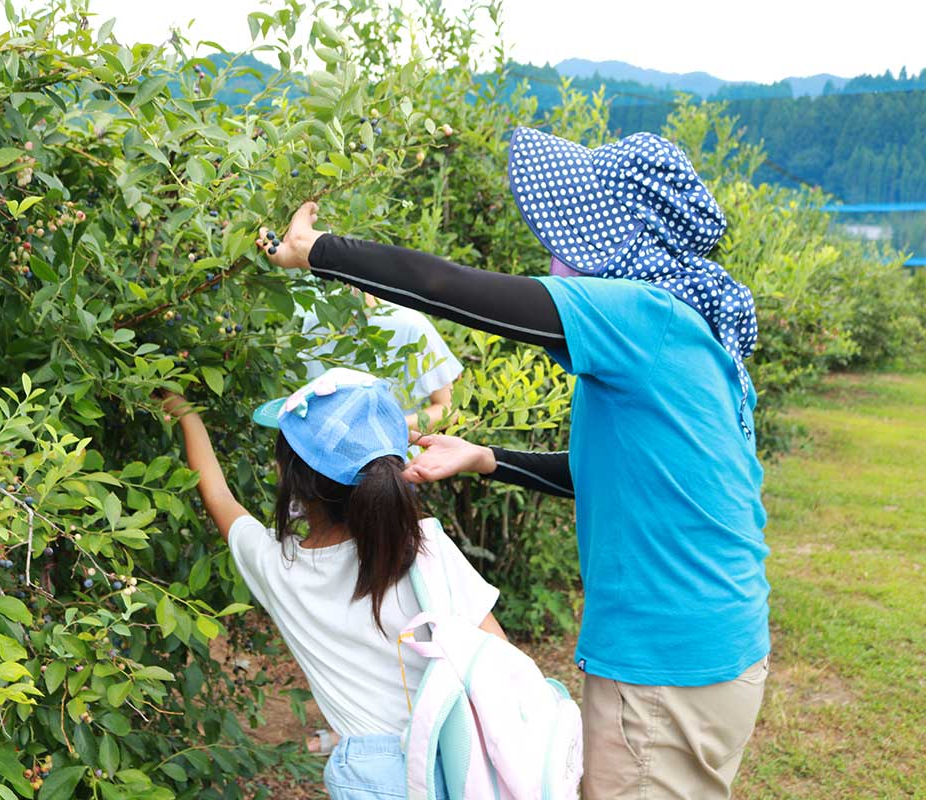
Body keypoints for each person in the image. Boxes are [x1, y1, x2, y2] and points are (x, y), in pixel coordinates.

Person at [255, 129, 770, 800]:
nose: (554, 256)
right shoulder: (693, 338)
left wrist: (318, 252)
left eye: (571, 236)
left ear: (615, 241)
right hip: (710, 641)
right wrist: (488, 459)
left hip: (665, 662)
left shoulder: (641, 317)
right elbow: (620, 480)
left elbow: (456, 290)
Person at [162, 367, 506, 798]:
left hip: (375, 782)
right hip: (463, 764)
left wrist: (183, 411)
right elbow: (500, 658)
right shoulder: (425, 550)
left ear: (291, 475)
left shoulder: (277, 565)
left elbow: (217, 495)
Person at [300, 289, 463, 433]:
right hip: (322, 457)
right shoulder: (316, 318)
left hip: (389, 460)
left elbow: (448, 409)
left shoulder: (411, 325)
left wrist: (388, 428)